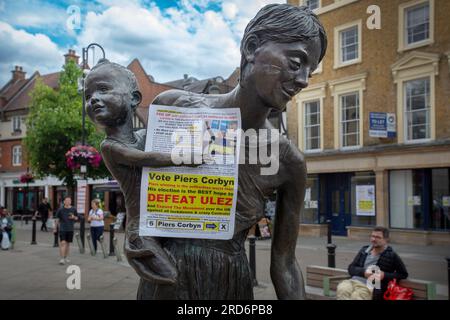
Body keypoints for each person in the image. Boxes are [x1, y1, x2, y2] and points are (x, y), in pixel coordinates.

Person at [133, 3, 327, 299]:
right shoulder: (176, 108)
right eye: (296, 62)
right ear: (251, 47)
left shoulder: (288, 161)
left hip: (230, 283)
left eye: (310, 71)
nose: (303, 80)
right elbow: (138, 184)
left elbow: (285, 263)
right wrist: (136, 232)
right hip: (166, 280)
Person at [84, 58, 187, 288]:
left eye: (103, 89)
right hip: (142, 230)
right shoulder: (109, 146)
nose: (93, 99)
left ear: (134, 99)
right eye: (88, 95)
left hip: (168, 218)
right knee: (174, 281)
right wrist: (184, 158)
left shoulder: (145, 136)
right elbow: (144, 159)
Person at [336, 226, 409, 300]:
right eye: (372, 236)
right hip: (353, 281)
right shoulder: (364, 251)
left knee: (356, 296)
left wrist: (384, 275)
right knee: (342, 289)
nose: (374, 239)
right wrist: (364, 272)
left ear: (386, 240)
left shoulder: (391, 255)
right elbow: (351, 268)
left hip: (369, 286)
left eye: (378, 237)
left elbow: (403, 274)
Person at [55, 197, 78, 265]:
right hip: (62, 229)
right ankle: (62, 259)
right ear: (64, 202)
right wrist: (55, 228)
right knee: (63, 243)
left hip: (70, 229)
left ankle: (65, 257)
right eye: (67, 200)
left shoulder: (73, 209)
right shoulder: (60, 209)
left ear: (71, 202)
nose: (68, 202)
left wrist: (74, 217)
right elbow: (57, 219)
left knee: (67, 244)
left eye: (69, 200)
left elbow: (77, 218)